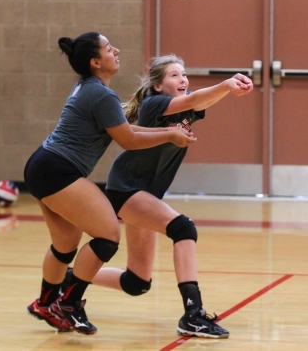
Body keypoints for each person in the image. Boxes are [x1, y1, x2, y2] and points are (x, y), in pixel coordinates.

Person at [66, 54, 253, 338]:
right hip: (126, 188)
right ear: (157, 86)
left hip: (144, 193)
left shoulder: (184, 108)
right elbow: (194, 100)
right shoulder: (154, 106)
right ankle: (193, 314)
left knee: (136, 282)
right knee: (183, 228)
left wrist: (228, 90)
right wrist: (226, 84)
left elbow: (200, 101)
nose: (183, 79)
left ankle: (68, 279)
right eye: (175, 75)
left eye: (184, 74)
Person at [24, 34, 196, 335]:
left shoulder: (90, 88)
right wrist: (169, 134)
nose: (116, 50)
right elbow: (128, 140)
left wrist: (168, 133)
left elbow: (125, 127)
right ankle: (70, 303)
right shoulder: (101, 95)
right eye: (108, 48)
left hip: (43, 166)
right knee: (107, 236)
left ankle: (46, 303)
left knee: (65, 246)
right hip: (58, 170)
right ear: (95, 62)